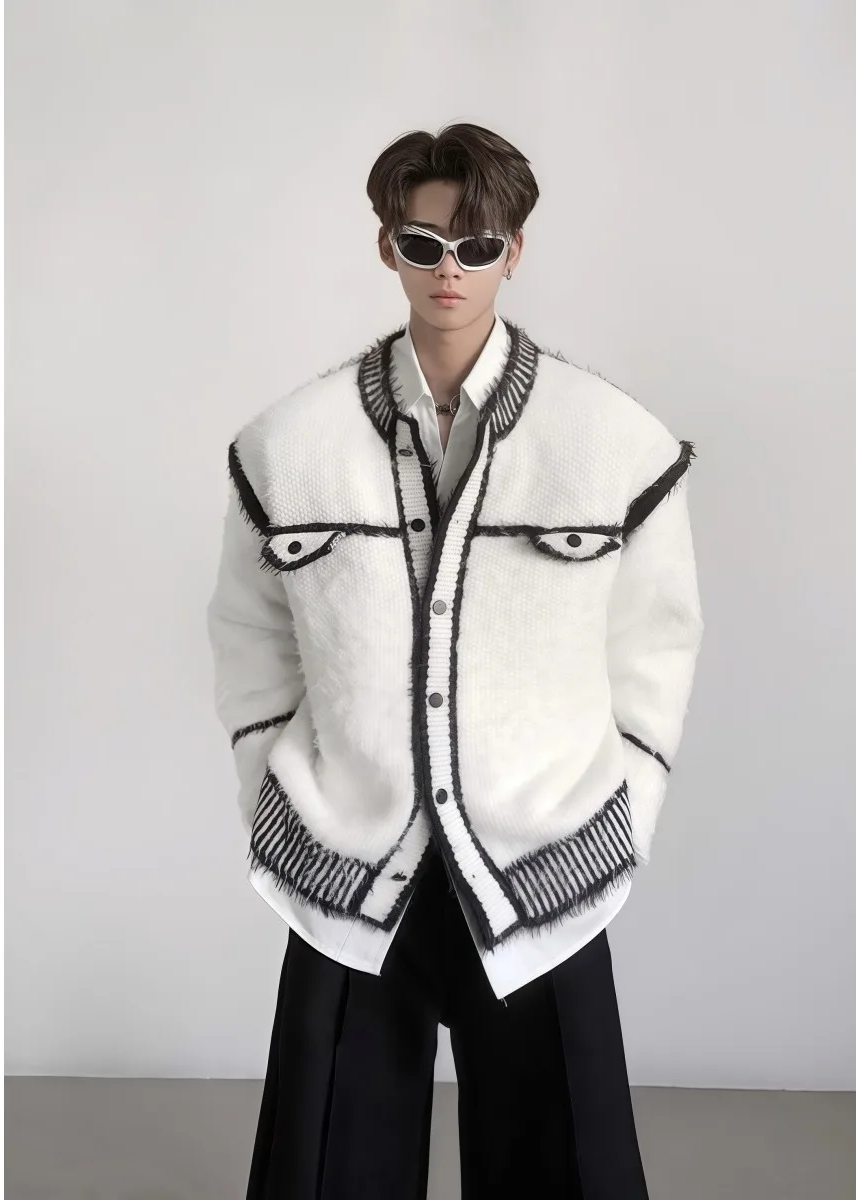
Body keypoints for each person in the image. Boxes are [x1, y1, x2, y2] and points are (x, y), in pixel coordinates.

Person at [206, 121, 704, 1200]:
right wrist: (276, 793)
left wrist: (624, 807)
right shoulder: (285, 448)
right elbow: (249, 638)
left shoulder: (617, 444)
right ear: (386, 245)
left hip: (546, 858)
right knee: (326, 1171)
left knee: (565, 1168)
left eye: (477, 247)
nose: (450, 270)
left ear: (513, 252)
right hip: (345, 861)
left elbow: (655, 646)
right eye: (424, 243)